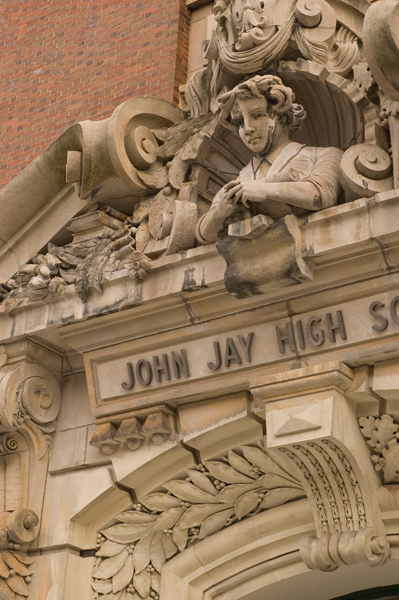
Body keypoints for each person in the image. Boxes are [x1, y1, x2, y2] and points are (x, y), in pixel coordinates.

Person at [196, 75, 343, 243]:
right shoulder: (239, 181)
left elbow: (323, 193)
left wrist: (264, 190)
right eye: (240, 122)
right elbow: (203, 235)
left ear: (281, 116)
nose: (248, 129)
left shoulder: (324, 155)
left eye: (257, 115)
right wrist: (218, 214)